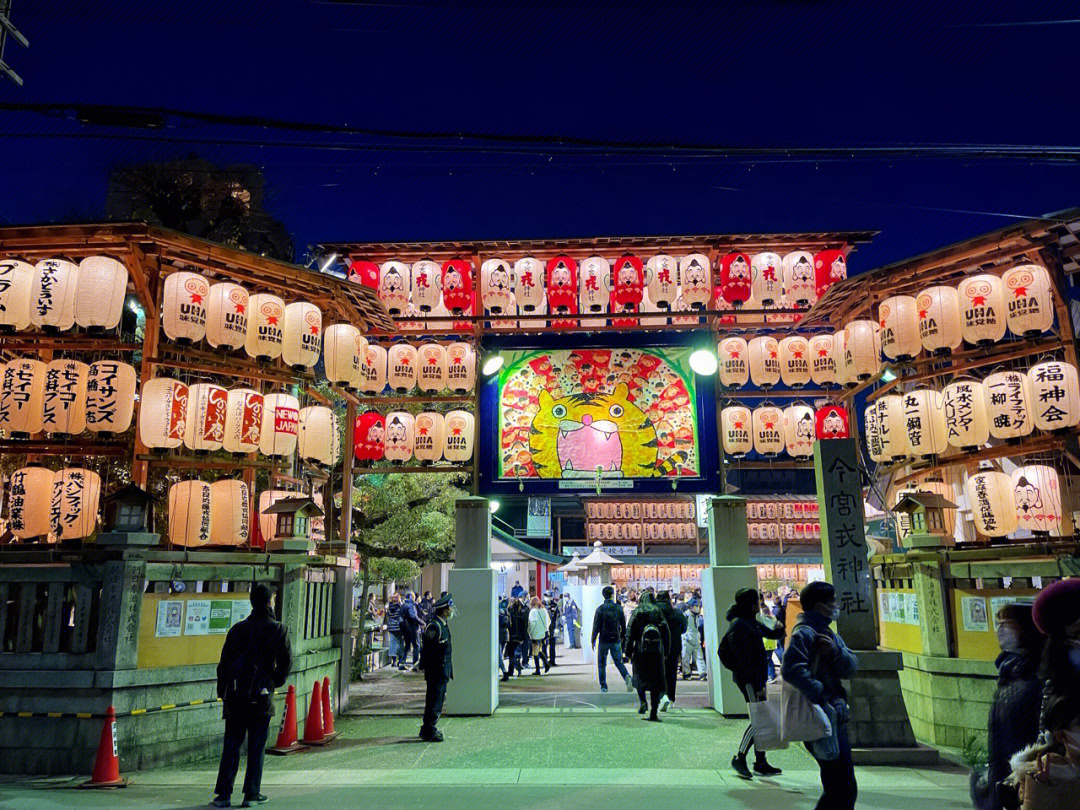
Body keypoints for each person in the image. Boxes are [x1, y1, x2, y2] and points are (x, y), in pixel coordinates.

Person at [212, 583, 291, 809]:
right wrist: (273, 681)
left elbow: (224, 664)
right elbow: (285, 663)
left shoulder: (237, 629)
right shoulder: (278, 629)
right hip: (261, 693)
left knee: (232, 744)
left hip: (236, 694)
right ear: (268, 602)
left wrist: (223, 691)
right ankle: (251, 793)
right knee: (257, 745)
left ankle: (224, 794)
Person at [782, 581, 859, 810]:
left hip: (834, 713)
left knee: (840, 785)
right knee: (841, 786)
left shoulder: (828, 634)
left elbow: (851, 666)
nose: (836, 605)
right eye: (832, 601)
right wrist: (822, 694)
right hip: (822, 714)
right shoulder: (805, 633)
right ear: (819, 605)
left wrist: (835, 653)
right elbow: (791, 670)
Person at [971, 603, 1045, 810]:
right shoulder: (1009, 674)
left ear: (1027, 629)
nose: (1000, 630)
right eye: (999, 623)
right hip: (1004, 779)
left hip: (1025, 783)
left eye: (1009, 624)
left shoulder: (1036, 677)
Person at [719, 588, 786, 779]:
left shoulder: (751, 621)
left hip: (757, 677)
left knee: (761, 717)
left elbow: (772, 634)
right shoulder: (739, 625)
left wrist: (777, 626)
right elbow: (742, 659)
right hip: (749, 679)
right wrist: (755, 682)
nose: (760, 603)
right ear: (751, 604)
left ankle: (760, 761)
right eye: (757, 601)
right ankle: (740, 757)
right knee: (759, 719)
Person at [626, 591, 669, 721]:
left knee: (640, 677)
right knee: (655, 680)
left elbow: (629, 632)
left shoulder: (638, 611)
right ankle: (654, 712)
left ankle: (643, 702)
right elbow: (666, 632)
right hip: (656, 651)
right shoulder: (657, 611)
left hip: (640, 650)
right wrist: (666, 650)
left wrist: (628, 651)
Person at [419, 593, 455, 742]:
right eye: (450, 608)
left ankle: (429, 727)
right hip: (436, 671)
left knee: (438, 699)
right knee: (434, 700)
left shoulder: (442, 624)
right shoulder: (434, 626)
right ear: (445, 610)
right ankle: (429, 728)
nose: (452, 610)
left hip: (442, 670)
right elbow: (430, 651)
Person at [591, 585, 633, 693]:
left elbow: (596, 626)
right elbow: (623, 626)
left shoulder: (600, 609)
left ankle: (603, 686)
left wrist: (593, 639)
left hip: (604, 639)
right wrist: (622, 637)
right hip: (616, 639)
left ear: (603, 595)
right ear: (612, 595)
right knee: (618, 662)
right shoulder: (619, 608)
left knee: (601, 664)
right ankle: (627, 677)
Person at [655, 590, 687, 711]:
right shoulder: (677, 613)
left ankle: (661, 697)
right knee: (671, 673)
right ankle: (671, 698)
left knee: (658, 673)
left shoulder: (654, 613)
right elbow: (684, 628)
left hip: (657, 647)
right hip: (674, 647)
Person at [681, 602, 706, 679]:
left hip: (696, 638)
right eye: (695, 606)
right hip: (687, 637)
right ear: (690, 607)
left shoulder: (697, 616)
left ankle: (702, 673)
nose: (697, 608)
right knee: (686, 657)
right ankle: (686, 673)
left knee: (699, 656)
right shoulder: (685, 615)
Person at [507, 595, 529, 678]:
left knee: (511, 654)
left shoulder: (509, 612)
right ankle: (518, 669)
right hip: (519, 637)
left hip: (511, 636)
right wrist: (523, 637)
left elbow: (508, 625)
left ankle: (511, 670)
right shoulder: (521, 613)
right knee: (517, 653)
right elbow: (524, 626)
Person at [527, 596, 551, 674]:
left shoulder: (533, 611)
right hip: (542, 633)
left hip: (535, 633)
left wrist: (529, 632)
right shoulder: (544, 610)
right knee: (538, 650)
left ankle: (539, 669)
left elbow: (532, 623)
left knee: (535, 651)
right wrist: (546, 629)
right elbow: (548, 621)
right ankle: (545, 663)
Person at [400, 591, 423, 671]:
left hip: (405, 628)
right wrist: (422, 623)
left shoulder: (402, 605)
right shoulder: (411, 605)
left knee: (407, 645)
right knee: (416, 646)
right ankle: (415, 664)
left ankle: (402, 662)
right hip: (413, 627)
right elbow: (413, 616)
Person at [546, 595, 561, 667]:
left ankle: (552, 661)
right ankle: (544, 661)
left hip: (552, 627)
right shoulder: (542, 604)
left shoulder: (555, 605)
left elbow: (558, 616)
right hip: (544, 628)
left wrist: (557, 627)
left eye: (549, 596)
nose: (548, 598)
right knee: (544, 645)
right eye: (546, 596)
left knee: (552, 645)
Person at [498, 599, 510, 681]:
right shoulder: (507, 613)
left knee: (498, 656)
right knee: (500, 655)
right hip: (505, 636)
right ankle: (499, 672)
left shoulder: (498, 614)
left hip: (500, 636)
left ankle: (504, 672)